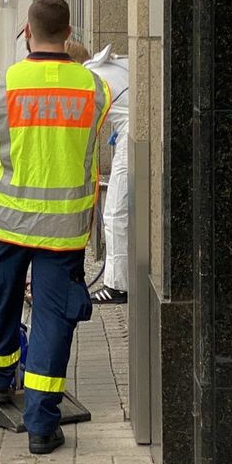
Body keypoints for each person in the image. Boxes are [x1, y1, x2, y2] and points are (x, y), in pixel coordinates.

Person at [0, 0, 111, 455]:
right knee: (54, 321)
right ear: (69, 34)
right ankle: (41, 425)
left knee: (1, 297)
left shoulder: (2, 84)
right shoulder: (95, 89)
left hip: (8, 221)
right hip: (64, 230)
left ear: (27, 32)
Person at [83, 47, 129, 304]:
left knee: (114, 212)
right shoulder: (111, 64)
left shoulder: (87, 79)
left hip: (133, 132)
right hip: (136, 127)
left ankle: (117, 286)